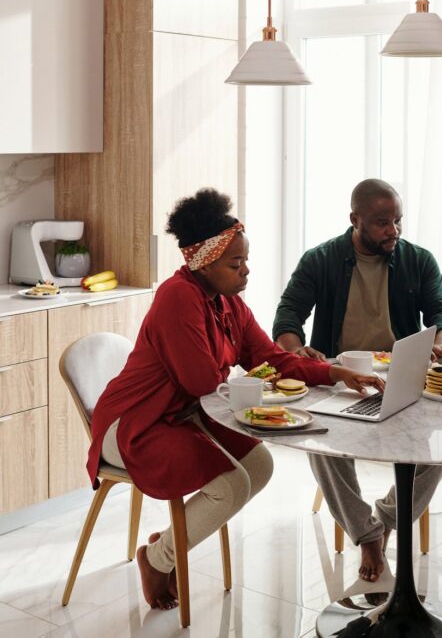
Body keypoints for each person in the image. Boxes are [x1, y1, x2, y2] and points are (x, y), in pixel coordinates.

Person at [87, 188, 384, 610]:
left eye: (245, 260)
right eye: (235, 263)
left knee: (258, 464)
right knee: (229, 485)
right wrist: (250, 376)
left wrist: (335, 373)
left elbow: (271, 358)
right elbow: (200, 381)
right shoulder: (177, 297)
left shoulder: (229, 303)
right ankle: (157, 561)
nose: (246, 271)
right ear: (205, 262)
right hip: (136, 422)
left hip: (184, 416)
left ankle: (166, 544)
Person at [272, 178, 442, 582]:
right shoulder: (320, 259)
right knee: (317, 441)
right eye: (381, 222)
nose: (393, 230)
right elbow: (288, 315)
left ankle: (388, 518)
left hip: (402, 380)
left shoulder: (419, 260)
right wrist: (295, 349)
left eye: (397, 221)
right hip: (340, 379)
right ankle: (367, 534)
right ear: (354, 220)